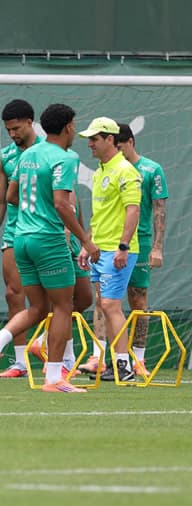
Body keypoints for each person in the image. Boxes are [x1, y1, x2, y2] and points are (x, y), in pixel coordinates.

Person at [0, 103, 98, 393]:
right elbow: (61, 204)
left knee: (41, 307)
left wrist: (33, 211)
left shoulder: (28, 155)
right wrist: (85, 240)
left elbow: (11, 195)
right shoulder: (66, 158)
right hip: (49, 239)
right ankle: (54, 377)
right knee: (62, 306)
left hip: (21, 239)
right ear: (69, 126)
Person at [81, 117, 142, 382]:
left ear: (110, 140)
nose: (90, 144)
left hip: (118, 250)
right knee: (103, 305)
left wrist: (123, 247)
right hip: (99, 249)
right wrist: (88, 244)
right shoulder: (99, 171)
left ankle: (124, 366)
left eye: (94, 139)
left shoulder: (126, 170)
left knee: (110, 305)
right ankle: (113, 363)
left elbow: (133, 210)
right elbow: (100, 214)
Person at [0, 99, 41, 378]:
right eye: (8, 130)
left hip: (45, 232)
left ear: (30, 122)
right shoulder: (5, 156)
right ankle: (20, 362)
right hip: (15, 233)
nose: (13, 135)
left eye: (16, 128)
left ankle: (61, 357)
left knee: (57, 300)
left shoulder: (49, 152)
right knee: (13, 294)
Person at [117, 122, 167, 378]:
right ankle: (111, 359)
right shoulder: (110, 168)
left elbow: (159, 208)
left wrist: (157, 247)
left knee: (138, 299)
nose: (117, 151)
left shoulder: (151, 169)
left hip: (141, 242)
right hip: (112, 242)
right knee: (107, 301)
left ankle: (139, 358)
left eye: (120, 146)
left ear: (131, 142)